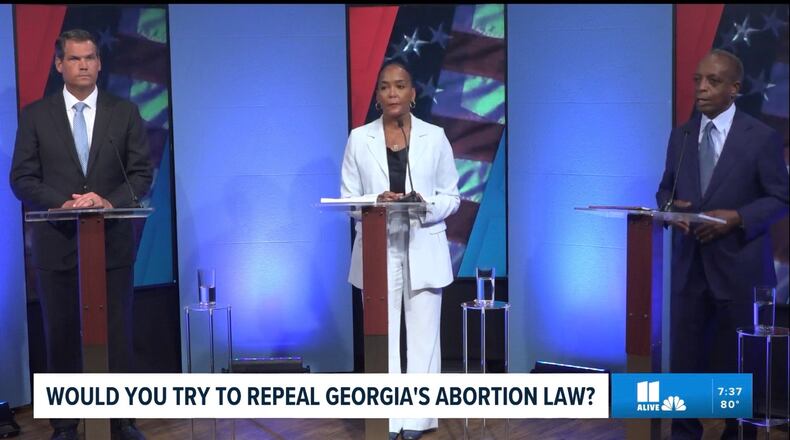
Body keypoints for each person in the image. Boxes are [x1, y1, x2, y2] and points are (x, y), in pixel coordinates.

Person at [10, 29, 152, 440]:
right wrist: (64, 202)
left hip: (111, 246)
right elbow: (21, 177)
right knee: (61, 335)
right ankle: (66, 425)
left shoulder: (123, 113)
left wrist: (107, 200)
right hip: (57, 244)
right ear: (59, 65)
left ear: (100, 62)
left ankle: (121, 420)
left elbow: (141, 173)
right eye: (74, 59)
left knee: (117, 335)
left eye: (90, 57)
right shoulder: (36, 116)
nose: (84, 65)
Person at [656, 49, 789, 440]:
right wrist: (669, 209)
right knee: (685, 362)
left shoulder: (761, 138)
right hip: (689, 268)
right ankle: (683, 431)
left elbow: (780, 197)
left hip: (738, 268)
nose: (701, 88)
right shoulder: (680, 135)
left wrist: (738, 217)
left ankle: (736, 432)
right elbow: (666, 188)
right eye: (698, 79)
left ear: (735, 88)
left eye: (712, 81)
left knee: (738, 363)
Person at [340, 61, 460, 440]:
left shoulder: (435, 137)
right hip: (378, 248)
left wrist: (425, 204)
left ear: (413, 93)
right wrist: (373, 201)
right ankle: (388, 419)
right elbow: (348, 199)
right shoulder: (359, 139)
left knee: (424, 335)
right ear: (377, 97)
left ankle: (418, 420)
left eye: (400, 86)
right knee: (383, 335)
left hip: (423, 244)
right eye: (385, 87)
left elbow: (452, 197)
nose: (392, 93)